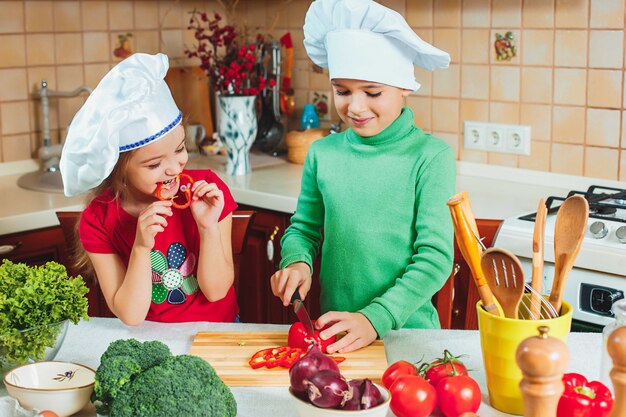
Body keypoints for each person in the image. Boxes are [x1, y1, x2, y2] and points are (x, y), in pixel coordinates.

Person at [270, 0, 456, 354]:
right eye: (342, 91)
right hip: (336, 333)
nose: (354, 107)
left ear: (405, 87)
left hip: (408, 337)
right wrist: (296, 260)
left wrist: (376, 317)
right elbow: (303, 229)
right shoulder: (323, 153)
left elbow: (434, 258)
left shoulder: (431, 157)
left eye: (372, 92)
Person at [60, 53, 238, 326]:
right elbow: (131, 315)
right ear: (119, 171)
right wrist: (142, 247)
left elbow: (216, 291)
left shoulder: (210, 191)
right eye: (154, 164)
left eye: (180, 149)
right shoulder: (97, 220)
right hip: (150, 340)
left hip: (218, 333)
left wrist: (208, 227)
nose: (173, 168)